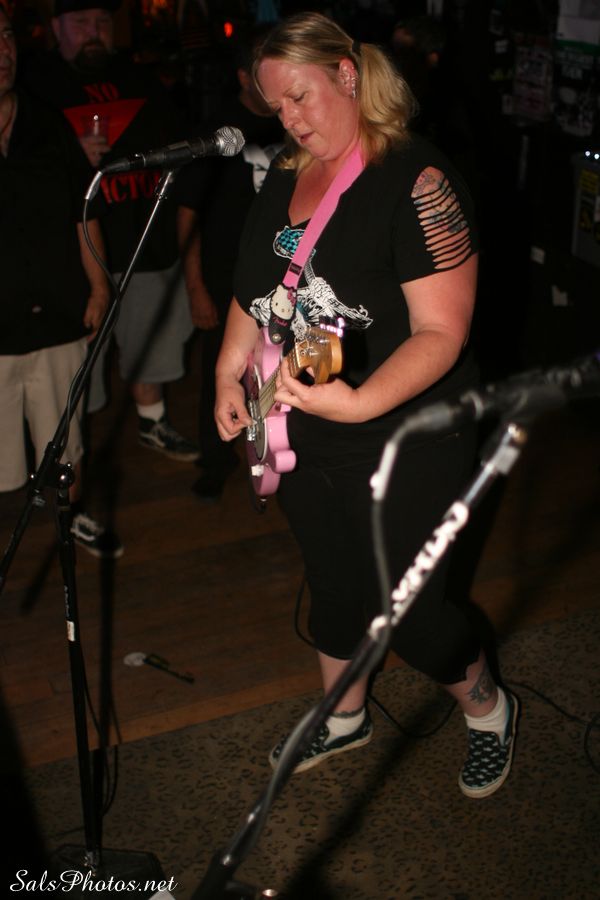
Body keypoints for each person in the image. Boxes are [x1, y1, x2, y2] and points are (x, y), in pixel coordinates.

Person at [215, 12, 519, 799]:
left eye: (302, 96)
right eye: (275, 104)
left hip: (406, 433)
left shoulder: (418, 180)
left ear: (347, 74)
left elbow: (443, 332)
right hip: (305, 429)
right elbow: (254, 291)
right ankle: (345, 714)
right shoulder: (286, 172)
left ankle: (487, 708)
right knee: (332, 581)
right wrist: (226, 369)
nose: (289, 118)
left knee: (413, 613)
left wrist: (360, 402)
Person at [23, 0, 200, 463]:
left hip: (145, 238)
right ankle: (76, 444)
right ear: (56, 26)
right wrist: (67, 152)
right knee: (82, 361)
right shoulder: (34, 84)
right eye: (81, 22)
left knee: (151, 343)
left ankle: (152, 421)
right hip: (78, 252)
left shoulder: (140, 78)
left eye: (102, 21)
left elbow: (179, 147)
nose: (94, 30)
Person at [0, 6, 121, 559]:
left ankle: (70, 518)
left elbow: (83, 210)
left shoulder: (47, 122)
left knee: (65, 445)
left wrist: (99, 287)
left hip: (58, 314)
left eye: (6, 37)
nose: (3, 51)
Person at [179, 26, 284, 500]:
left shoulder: (293, 122)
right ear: (244, 76)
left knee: (284, 368)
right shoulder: (219, 131)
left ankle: (282, 457)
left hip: (286, 275)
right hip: (225, 276)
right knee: (219, 373)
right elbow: (188, 213)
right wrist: (195, 287)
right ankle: (217, 459)